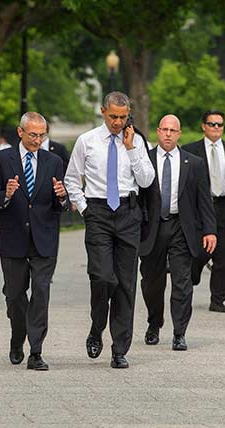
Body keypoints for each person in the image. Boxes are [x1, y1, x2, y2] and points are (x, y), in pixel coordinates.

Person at [65, 91, 155, 369]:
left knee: (126, 284)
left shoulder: (137, 141)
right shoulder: (87, 141)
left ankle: (119, 349)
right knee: (103, 278)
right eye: (113, 116)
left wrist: (130, 148)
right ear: (103, 111)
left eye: (123, 117)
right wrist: (84, 209)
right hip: (99, 213)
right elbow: (71, 179)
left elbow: (147, 179)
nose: (118, 122)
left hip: (128, 214)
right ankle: (96, 327)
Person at [0, 112, 69, 371]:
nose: (38, 140)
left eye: (42, 135)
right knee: (16, 296)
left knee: (41, 293)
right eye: (33, 134)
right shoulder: (1, 159)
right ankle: (16, 338)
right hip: (13, 238)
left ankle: (36, 351)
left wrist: (62, 197)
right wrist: (6, 195)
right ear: (20, 132)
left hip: (44, 238)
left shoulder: (53, 161)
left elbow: (60, 205)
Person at [139, 115, 216, 350]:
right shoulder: (145, 160)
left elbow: (204, 200)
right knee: (152, 282)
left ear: (179, 134)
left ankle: (179, 332)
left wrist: (210, 230)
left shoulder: (193, 163)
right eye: (164, 130)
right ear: (158, 132)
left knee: (182, 282)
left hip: (181, 228)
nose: (168, 134)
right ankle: (154, 322)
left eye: (173, 130)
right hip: (153, 228)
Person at [182, 110, 225, 313]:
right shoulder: (190, 151)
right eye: (212, 124)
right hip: (200, 208)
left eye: (220, 124)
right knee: (198, 251)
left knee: (224, 256)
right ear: (203, 126)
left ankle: (218, 300)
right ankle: (191, 278)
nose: (216, 128)